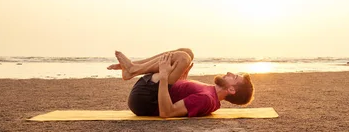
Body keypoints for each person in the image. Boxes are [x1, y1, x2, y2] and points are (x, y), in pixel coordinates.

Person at [107, 48, 255, 118]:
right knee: (187, 52)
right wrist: (182, 80)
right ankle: (132, 67)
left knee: (183, 58)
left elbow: (167, 112)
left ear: (231, 90)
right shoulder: (210, 93)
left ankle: (132, 69)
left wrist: (165, 77)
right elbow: (179, 95)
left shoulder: (207, 99)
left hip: (145, 99)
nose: (229, 73)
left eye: (234, 77)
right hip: (151, 90)